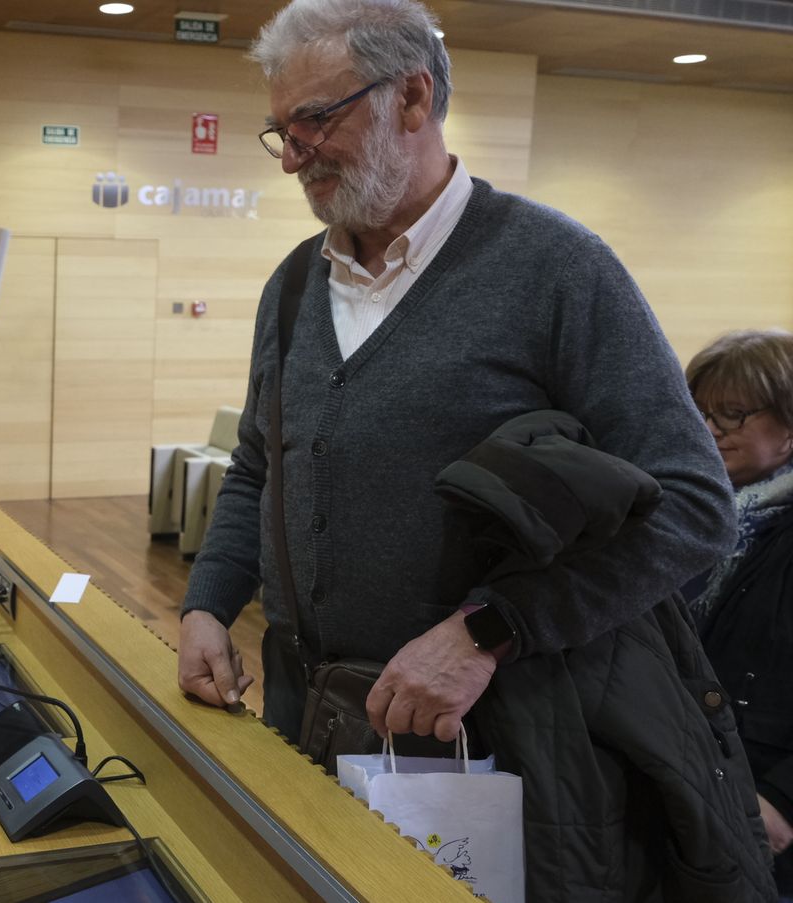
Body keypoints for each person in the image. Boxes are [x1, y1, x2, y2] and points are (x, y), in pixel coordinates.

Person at [174, 0, 772, 897]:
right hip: (316, 724)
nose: (293, 155)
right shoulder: (294, 284)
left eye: (314, 120)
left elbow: (694, 507)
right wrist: (208, 604)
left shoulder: (559, 270)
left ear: (412, 98)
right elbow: (262, 464)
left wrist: (489, 630)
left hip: (505, 747)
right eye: (280, 130)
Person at [685, 330, 793, 898]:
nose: (709, 431)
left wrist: (783, 800)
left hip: (768, 815)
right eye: (699, 412)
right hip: (692, 793)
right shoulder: (686, 517)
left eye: (733, 415)